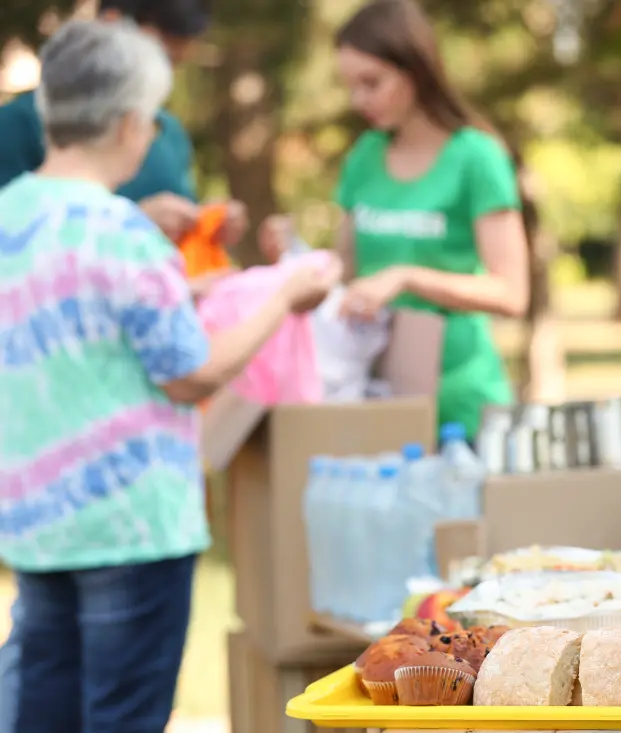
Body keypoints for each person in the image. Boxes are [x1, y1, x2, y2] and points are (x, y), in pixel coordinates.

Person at [0, 20, 339, 732]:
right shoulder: (125, 235)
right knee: (123, 716)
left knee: (42, 710)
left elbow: (72, 317)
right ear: (129, 122)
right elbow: (194, 372)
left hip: (36, 518)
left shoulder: (10, 215)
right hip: (133, 526)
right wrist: (284, 294)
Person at [324, 0, 530, 438]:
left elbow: (512, 293)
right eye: (350, 85)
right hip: (379, 400)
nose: (358, 100)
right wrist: (293, 259)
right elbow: (346, 269)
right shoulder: (363, 158)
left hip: (462, 408)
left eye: (371, 83)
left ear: (415, 71)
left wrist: (407, 277)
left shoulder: (476, 158)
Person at [0, 0, 250, 284]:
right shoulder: (17, 125)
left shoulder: (169, 132)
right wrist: (131, 228)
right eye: (161, 57)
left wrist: (206, 224)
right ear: (112, 22)